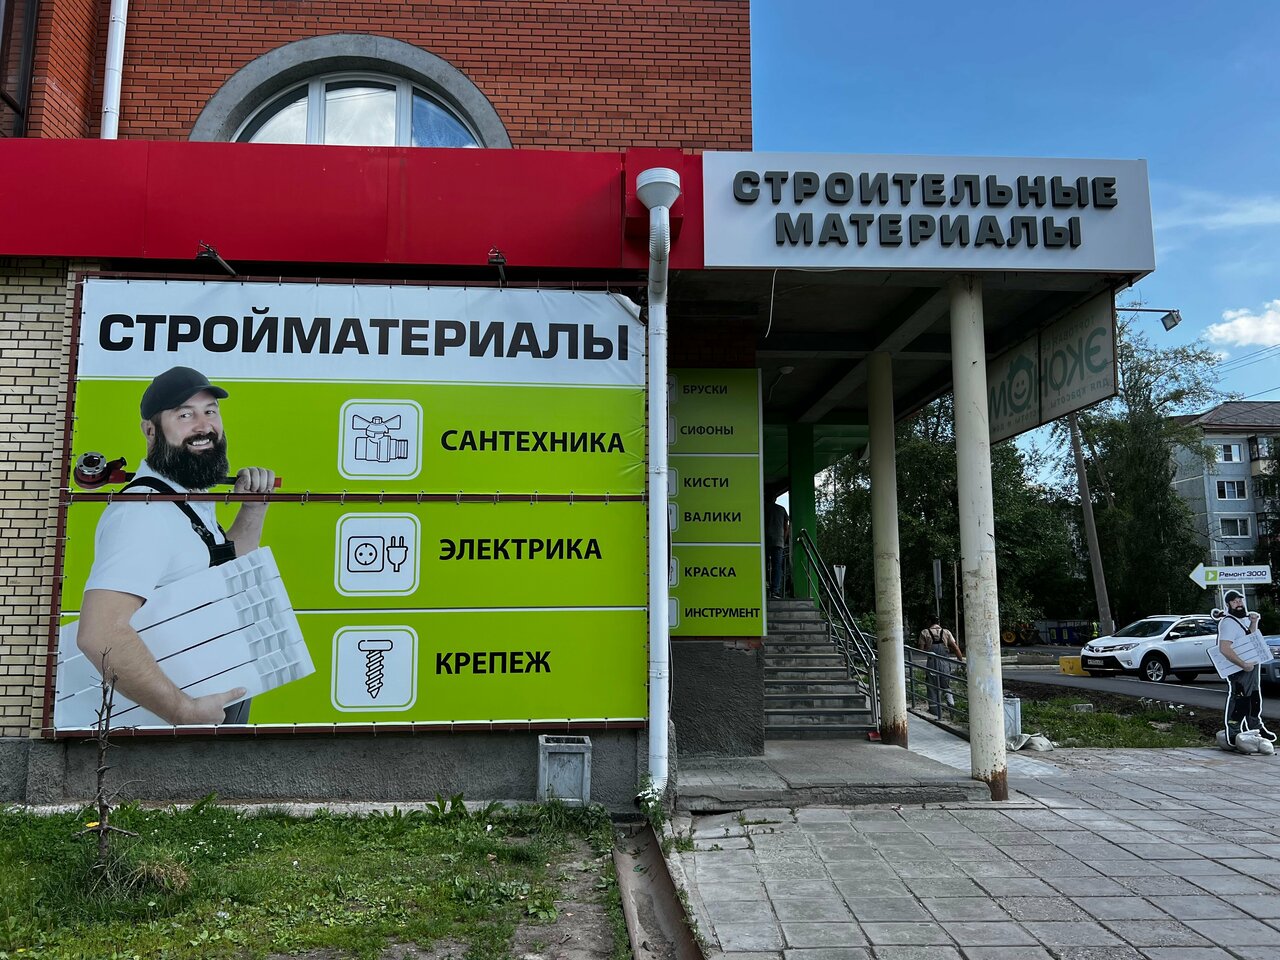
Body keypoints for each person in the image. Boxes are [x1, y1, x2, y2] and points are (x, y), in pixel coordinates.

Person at [74, 366, 277, 725]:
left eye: (210, 411)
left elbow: (225, 575)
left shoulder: (183, 500)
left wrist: (252, 508)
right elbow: (100, 633)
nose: (203, 426)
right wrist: (183, 711)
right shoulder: (143, 513)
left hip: (212, 709)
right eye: (185, 415)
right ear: (150, 431)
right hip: (172, 731)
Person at [1216, 589, 1274, 753]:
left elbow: (1250, 638)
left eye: (1240, 601)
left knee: (1254, 697)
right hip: (1239, 668)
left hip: (1251, 665)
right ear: (1228, 605)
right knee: (1240, 699)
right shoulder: (1228, 623)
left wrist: (1254, 623)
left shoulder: (1242, 620)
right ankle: (1233, 733)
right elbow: (1224, 648)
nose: (1239, 604)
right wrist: (1242, 664)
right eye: (1234, 602)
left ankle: (1256, 727)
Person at [917, 615, 964, 716]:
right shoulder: (946, 632)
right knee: (946, 686)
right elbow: (955, 648)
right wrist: (961, 661)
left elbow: (921, 650)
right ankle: (951, 707)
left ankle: (935, 712)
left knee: (932, 687)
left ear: (929, 622)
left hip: (932, 663)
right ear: (938, 622)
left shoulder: (924, 632)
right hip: (945, 663)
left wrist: (928, 649)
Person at [765, 498, 789, 599]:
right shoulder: (782, 509)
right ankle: (775, 590)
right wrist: (783, 539)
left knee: (763, 564)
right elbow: (786, 527)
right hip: (778, 541)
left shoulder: (763, 508)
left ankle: (765, 583)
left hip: (765, 540)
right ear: (775, 498)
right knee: (777, 566)